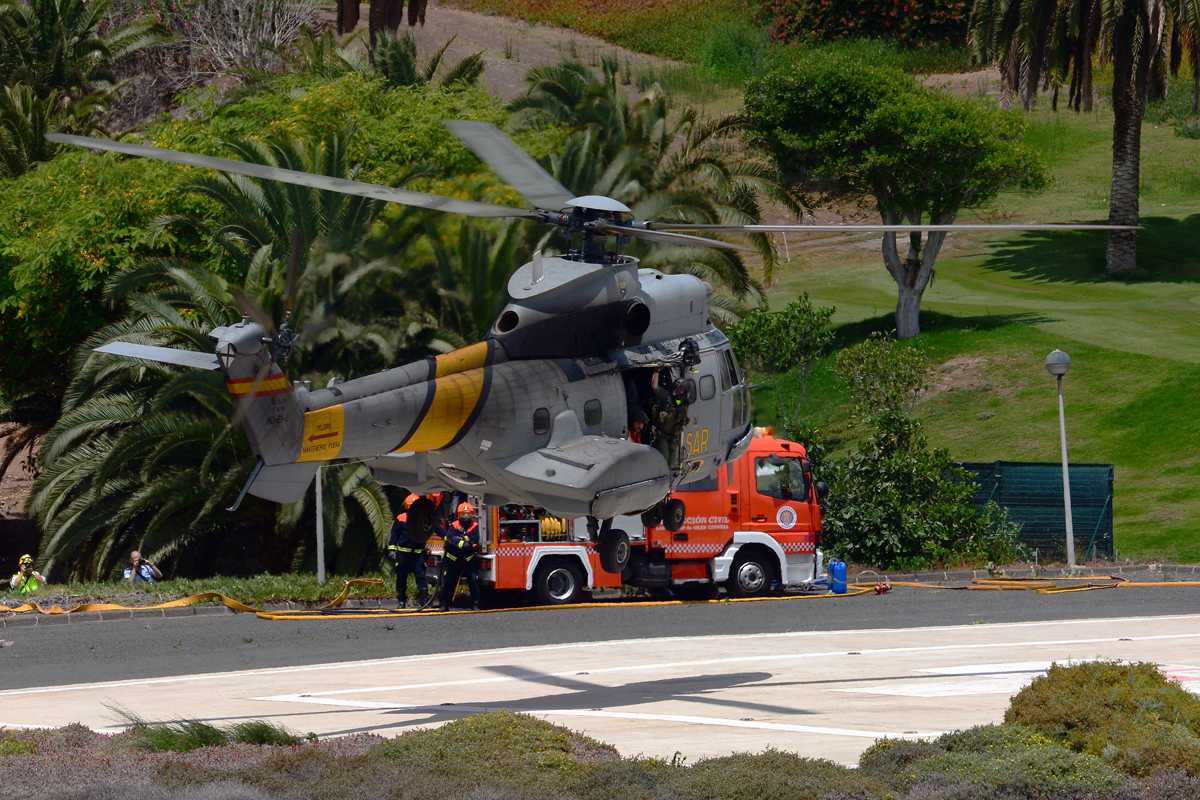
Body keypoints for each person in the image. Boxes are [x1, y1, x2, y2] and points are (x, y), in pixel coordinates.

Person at [388, 493, 432, 609]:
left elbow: (432, 529)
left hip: (418, 554)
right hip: (403, 553)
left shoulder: (422, 518)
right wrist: (392, 548)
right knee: (401, 577)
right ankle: (401, 601)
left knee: (421, 576)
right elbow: (394, 534)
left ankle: (424, 602)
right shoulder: (401, 518)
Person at [440, 502, 481, 611]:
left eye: (468, 514)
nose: (466, 517)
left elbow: (474, 540)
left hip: (468, 560)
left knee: (474, 582)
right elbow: (450, 540)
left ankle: (475, 604)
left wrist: (460, 540)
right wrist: (463, 542)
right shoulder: (454, 525)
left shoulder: (475, 526)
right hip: (453, 560)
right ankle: (444, 605)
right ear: (459, 514)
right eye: (463, 514)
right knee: (449, 583)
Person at [651, 367, 690, 470]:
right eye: (676, 388)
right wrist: (656, 371)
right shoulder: (666, 398)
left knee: (670, 464)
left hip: (673, 438)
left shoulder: (684, 405)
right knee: (663, 460)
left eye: (680, 390)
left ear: (685, 392)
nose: (677, 391)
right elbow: (655, 387)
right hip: (661, 435)